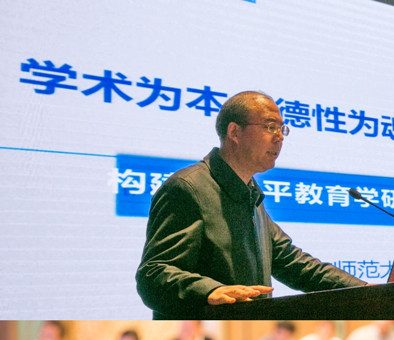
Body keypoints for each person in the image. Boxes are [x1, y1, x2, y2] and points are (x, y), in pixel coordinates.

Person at [136, 90, 365, 319]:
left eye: (282, 129)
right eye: (270, 127)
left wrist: (364, 290)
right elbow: (153, 274)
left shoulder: (250, 195)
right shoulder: (187, 188)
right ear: (234, 132)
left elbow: (294, 263)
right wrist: (209, 291)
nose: (280, 137)